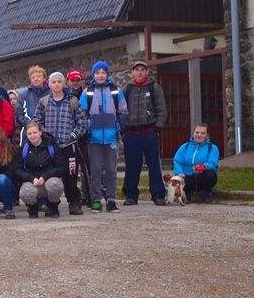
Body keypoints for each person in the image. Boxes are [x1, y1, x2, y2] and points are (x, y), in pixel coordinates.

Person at [34, 71, 89, 215]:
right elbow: (37, 121)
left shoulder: (72, 101)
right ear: (50, 84)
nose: (57, 84)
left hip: (68, 146)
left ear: (63, 83)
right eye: (54, 82)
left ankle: (74, 202)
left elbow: (82, 122)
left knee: (71, 177)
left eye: (59, 82)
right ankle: (53, 204)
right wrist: (45, 135)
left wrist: (73, 135)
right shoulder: (43, 102)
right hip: (50, 148)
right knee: (51, 176)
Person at [79, 61, 128, 213]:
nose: (100, 75)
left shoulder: (115, 91)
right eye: (97, 72)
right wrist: (88, 127)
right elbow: (81, 113)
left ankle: (111, 200)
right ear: (93, 75)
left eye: (103, 72)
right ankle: (96, 200)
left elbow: (123, 111)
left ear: (107, 74)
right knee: (95, 171)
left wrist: (118, 126)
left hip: (111, 137)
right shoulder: (87, 92)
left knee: (112, 170)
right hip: (93, 138)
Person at [122, 60, 169, 206]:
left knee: (154, 164)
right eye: (137, 70)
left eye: (143, 70)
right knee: (131, 165)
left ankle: (158, 195)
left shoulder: (154, 88)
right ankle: (130, 195)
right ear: (133, 72)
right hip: (131, 133)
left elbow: (162, 110)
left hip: (149, 131)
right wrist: (123, 131)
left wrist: (158, 128)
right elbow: (120, 111)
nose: (140, 72)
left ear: (147, 72)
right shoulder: (126, 89)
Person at [14, 121, 68, 218]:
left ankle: (53, 206)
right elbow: (17, 170)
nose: (33, 136)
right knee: (25, 191)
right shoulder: (23, 150)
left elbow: (62, 167)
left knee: (55, 185)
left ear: (40, 132)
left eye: (35, 132)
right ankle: (32, 208)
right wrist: (31, 178)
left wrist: (46, 176)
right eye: (29, 134)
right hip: (31, 182)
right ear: (26, 135)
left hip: (49, 180)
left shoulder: (52, 146)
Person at [173, 123, 220, 203]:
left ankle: (207, 192)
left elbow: (212, 162)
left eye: (202, 133)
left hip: (203, 175)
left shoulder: (212, 148)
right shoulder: (185, 147)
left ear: (207, 135)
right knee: (181, 180)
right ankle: (187, 193)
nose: (199, 135)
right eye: (197, 132)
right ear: (193, 133)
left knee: (210, 175)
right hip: (187, 175)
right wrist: (179, 172)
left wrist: (204, 166)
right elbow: (177, 161)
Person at [66, 69, 92, 204]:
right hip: (69, 139)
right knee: (72, 170)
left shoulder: (86, 94)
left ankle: (88, 196)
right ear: (68, 81)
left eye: (77, 80)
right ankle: (74, 198)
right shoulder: (65, 96)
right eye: (72, 81)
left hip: (83, 137)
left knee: (86, 169)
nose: (75, 83)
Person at [14, 66, 51, 144]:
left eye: (38, 76)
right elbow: (19, 113)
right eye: (33, 77)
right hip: (29, 132)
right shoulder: (24, 95)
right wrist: (31, 126)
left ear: (44, 78)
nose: (36, 79)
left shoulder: (51, 93)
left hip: (49, 131)